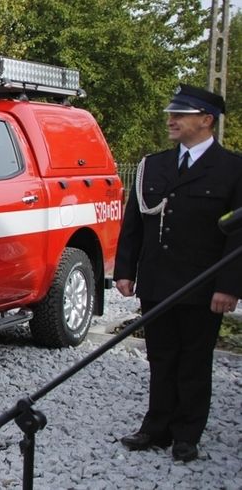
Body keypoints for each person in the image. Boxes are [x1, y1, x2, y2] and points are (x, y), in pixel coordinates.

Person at [114, 84, 242, 463]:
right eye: (171, 114)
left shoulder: (233, 169)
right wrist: (125, 270)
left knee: (194, 361)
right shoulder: (153, 165)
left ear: (206, 121)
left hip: (202, 284)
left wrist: (229, 286)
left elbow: (237, 238)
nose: (171, 120)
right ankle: (156, 427)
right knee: (161, 357)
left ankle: (187, 433)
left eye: (181, 115)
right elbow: (134, 221)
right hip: (157, 280)